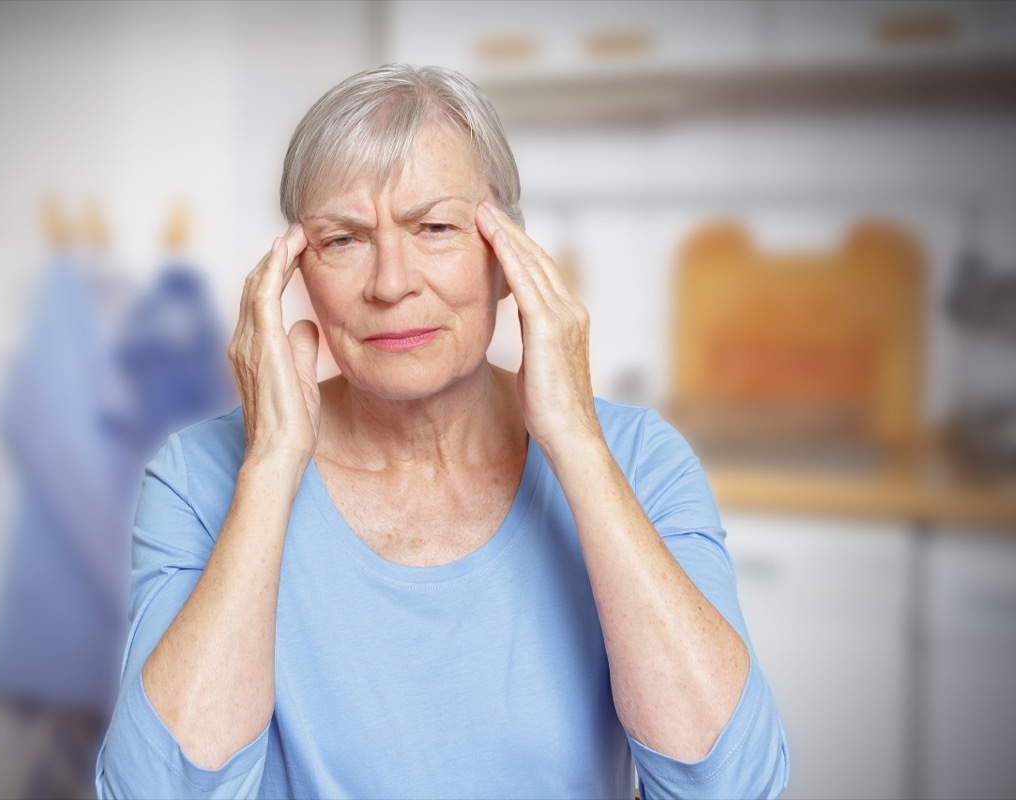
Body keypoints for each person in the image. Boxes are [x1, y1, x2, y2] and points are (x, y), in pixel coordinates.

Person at [95, 64, 789, 799]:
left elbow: (731, 784)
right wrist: (270, 464)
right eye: (343, 240)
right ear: (293, 271)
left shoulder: (641, 462)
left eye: (434, 228)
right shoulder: (199, 473)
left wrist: (576, 442)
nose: (391, 283)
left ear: (509, 256)